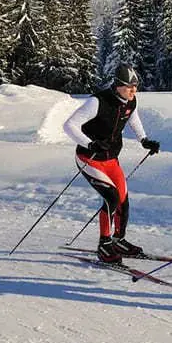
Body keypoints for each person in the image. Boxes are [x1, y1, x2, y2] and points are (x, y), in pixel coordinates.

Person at [63, 64, 161, 263]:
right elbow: (69, 125)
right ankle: (104, 245)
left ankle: (119, 239)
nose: (133, 90)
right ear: (117, 85)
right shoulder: (98, 102)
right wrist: (89, 144)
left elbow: (133, 119)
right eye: (129, 86)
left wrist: (144, 140)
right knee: (111, 197)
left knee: (123, 199)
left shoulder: (130, 101)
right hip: (88, 158)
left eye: (136, 86)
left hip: (110, 159)